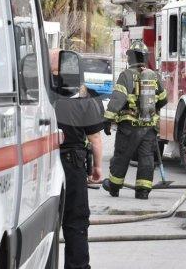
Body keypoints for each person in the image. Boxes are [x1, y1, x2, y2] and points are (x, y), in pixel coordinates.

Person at [102, 40, 168, 199]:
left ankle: (114, 186)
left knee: (122, 156)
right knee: (146, 158)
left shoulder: (126, 75)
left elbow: (117, 99)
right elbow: (164, 99)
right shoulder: (154, 75)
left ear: (130, 57)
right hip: (149, 127)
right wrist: (152, 109)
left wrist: (107, 120)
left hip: (128, 127)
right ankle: (143, 191)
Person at [55, 83, 106, 269]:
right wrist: (97, 167)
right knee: (76, 220)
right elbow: (95, 138)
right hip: (71, 162)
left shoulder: (38, 90)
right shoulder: (82, 97)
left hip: (41, 157)